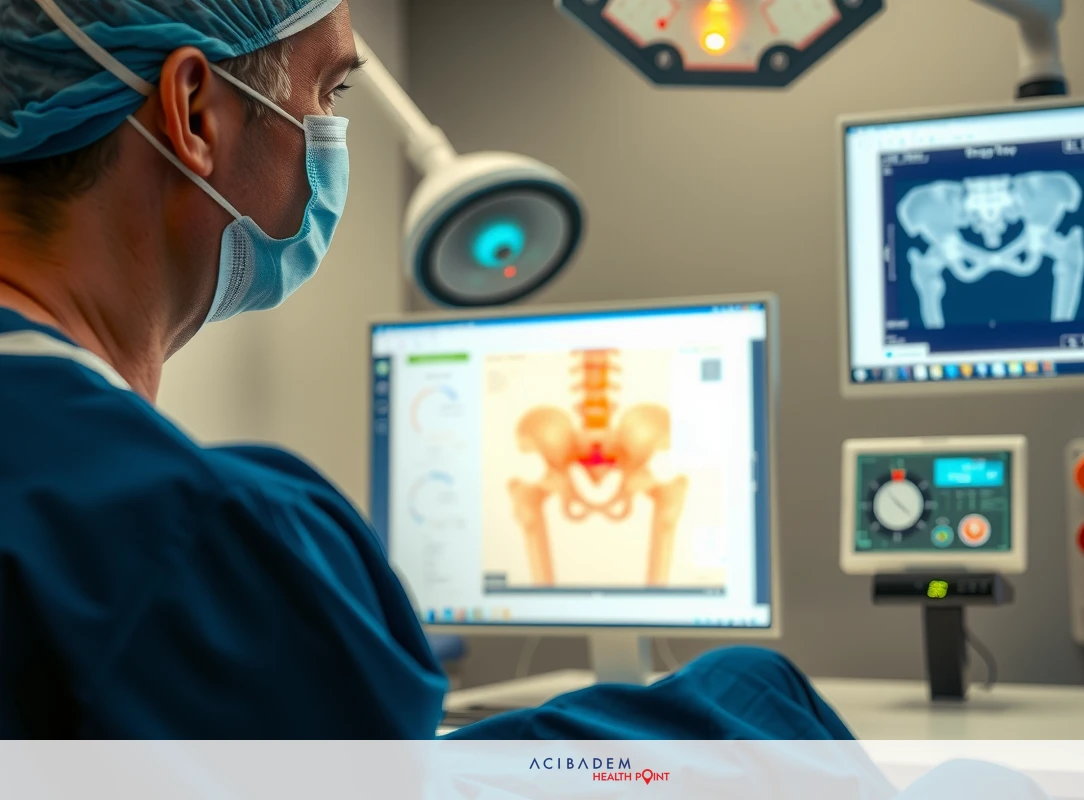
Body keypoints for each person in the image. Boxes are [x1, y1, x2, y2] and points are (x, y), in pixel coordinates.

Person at [0, 0, 849, 741]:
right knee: (755, 697)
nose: (330, 132)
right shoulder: (190, 543)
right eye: (329, 92)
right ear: (195, 113)